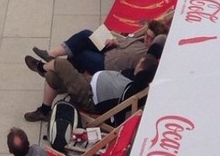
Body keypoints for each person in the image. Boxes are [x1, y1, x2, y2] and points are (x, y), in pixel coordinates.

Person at [23, 54, 157, 122]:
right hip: (87, 83)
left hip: (89, 97)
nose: (137, 64)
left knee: (61, 63)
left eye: (140, 63)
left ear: (143, 70)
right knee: (52, 76)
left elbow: (141, 78)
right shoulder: (132, 75)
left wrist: (144, 73)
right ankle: (44, 111)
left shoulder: (135, 87)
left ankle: (41, 67)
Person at [27, 18, 169, 80]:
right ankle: (49, 55)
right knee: (86, 35)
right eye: (146, 35)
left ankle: (45, 68)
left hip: (108, 66)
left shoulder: (147, 56)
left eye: (150, 38)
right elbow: (125, 44)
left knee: (81, 54)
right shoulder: (140, 40)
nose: (146, 39)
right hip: (111, 50)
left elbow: (134, 71)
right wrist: (115, 42)